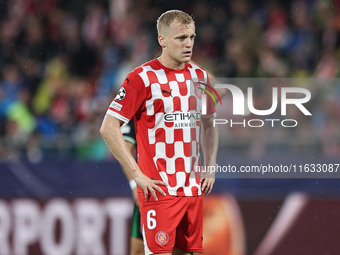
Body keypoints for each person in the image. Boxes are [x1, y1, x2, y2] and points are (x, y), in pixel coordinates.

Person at [100, 10, 218, 255]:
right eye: (181, 38)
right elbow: (108, 127)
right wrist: (136, 176)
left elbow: (209, 123)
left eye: (192, 37)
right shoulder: (141, 78)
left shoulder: (201, 77)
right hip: (160, 190)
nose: (189, 44)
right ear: (162, 40)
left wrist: (211, 165)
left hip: (192, 190)